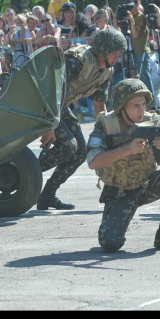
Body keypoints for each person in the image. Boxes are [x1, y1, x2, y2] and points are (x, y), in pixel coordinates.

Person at [86, 79, 160, 253]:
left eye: (143, 105)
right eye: (136, 106)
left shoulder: (152, 122)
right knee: (110, 244)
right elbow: (93, 161)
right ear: (121, 107)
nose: (142, 110)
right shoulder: (106, 125)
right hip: (119, 192)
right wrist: (127, 149)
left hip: (146, 185)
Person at [36, 28, 127, 210]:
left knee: (80, 152)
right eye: (114, 53)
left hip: (60, 106)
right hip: (41, 102)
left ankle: (47, 196)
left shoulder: (106, 71)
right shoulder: (77, 61)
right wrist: (49, 125)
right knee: (68, 146)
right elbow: (52, 91)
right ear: (102, 50)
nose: (117, 57)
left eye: (119, 53)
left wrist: (110, 131)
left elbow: (99, 105)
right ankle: (26, 174)